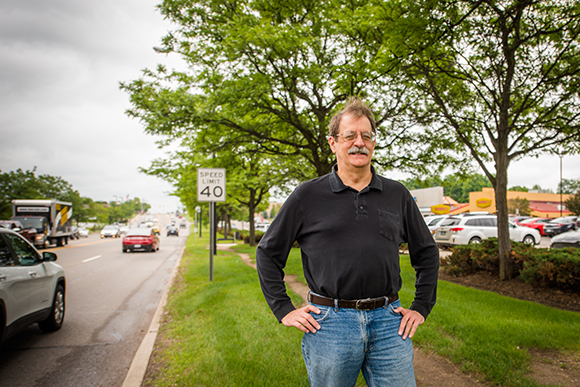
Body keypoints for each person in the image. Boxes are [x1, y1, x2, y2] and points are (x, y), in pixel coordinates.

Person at [255, 97, 440, 387]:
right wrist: (283, 309)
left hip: (390, 322)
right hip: (330, 324)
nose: (360, 142)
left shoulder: (397, 194)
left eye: (367, 135)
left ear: (374, 143)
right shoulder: (307, 196)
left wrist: (422, 306)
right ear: (333, 143)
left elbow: (427, 252)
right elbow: (267, 253)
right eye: (350, 135)